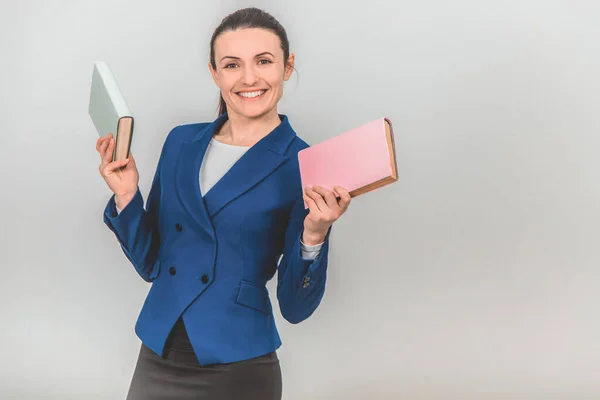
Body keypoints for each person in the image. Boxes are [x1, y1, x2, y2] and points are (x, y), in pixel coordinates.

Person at [95, 7, 351, 400]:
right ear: (215, 73)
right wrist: (127, 194)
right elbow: (151, 265)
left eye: (263, 61)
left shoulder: (303, 164)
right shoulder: (180, 142)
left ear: (287, 66)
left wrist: (315, 234)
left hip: (239, 361)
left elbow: (296, 308)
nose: (249, 78)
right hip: (159, 351)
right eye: (232, 65)